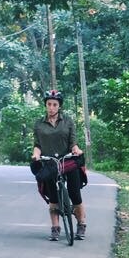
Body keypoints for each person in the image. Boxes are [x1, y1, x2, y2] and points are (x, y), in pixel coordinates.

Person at [31, 89, 87, 241]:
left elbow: (73, 142)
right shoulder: (39, 124)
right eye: (49, 104)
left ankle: (81, 224)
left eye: (54, 104)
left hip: (67, 160)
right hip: (49, 162)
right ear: (45, 105)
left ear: (59, 106)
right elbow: (37, 145)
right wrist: (36, 155)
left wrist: (76, 150)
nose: (51, 107)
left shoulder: (68, 121)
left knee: (75, 193)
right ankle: (55, 228)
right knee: (53, 197)